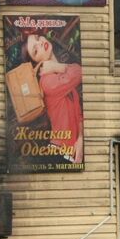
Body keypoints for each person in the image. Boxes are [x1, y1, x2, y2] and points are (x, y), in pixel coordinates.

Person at [25, 32, 84, 164]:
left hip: (72, 151)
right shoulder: (47, 82)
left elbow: (79, 115)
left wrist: (80, 139)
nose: (40, 43)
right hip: (60, 153)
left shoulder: (60, 74)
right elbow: (81, 73)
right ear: (36, 62)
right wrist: (57, 66)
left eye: (37, 37)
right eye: (35, 50)